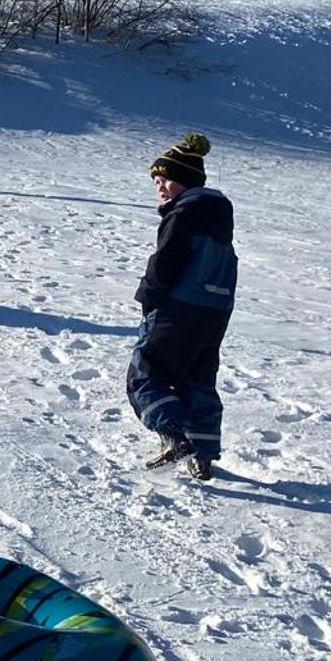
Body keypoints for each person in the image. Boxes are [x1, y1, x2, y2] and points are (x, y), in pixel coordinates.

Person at [127, 132, 237, 482]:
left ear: (185, 180)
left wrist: (148, 295)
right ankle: (202, 455)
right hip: (215, 310)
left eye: (166, 179)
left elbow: (167, 260)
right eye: (156, 182)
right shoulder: (218, 214)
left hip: (179, 306)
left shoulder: (184, 212)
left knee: (146, 372)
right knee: (198, 376)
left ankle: (175, 435)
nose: (160, 188)